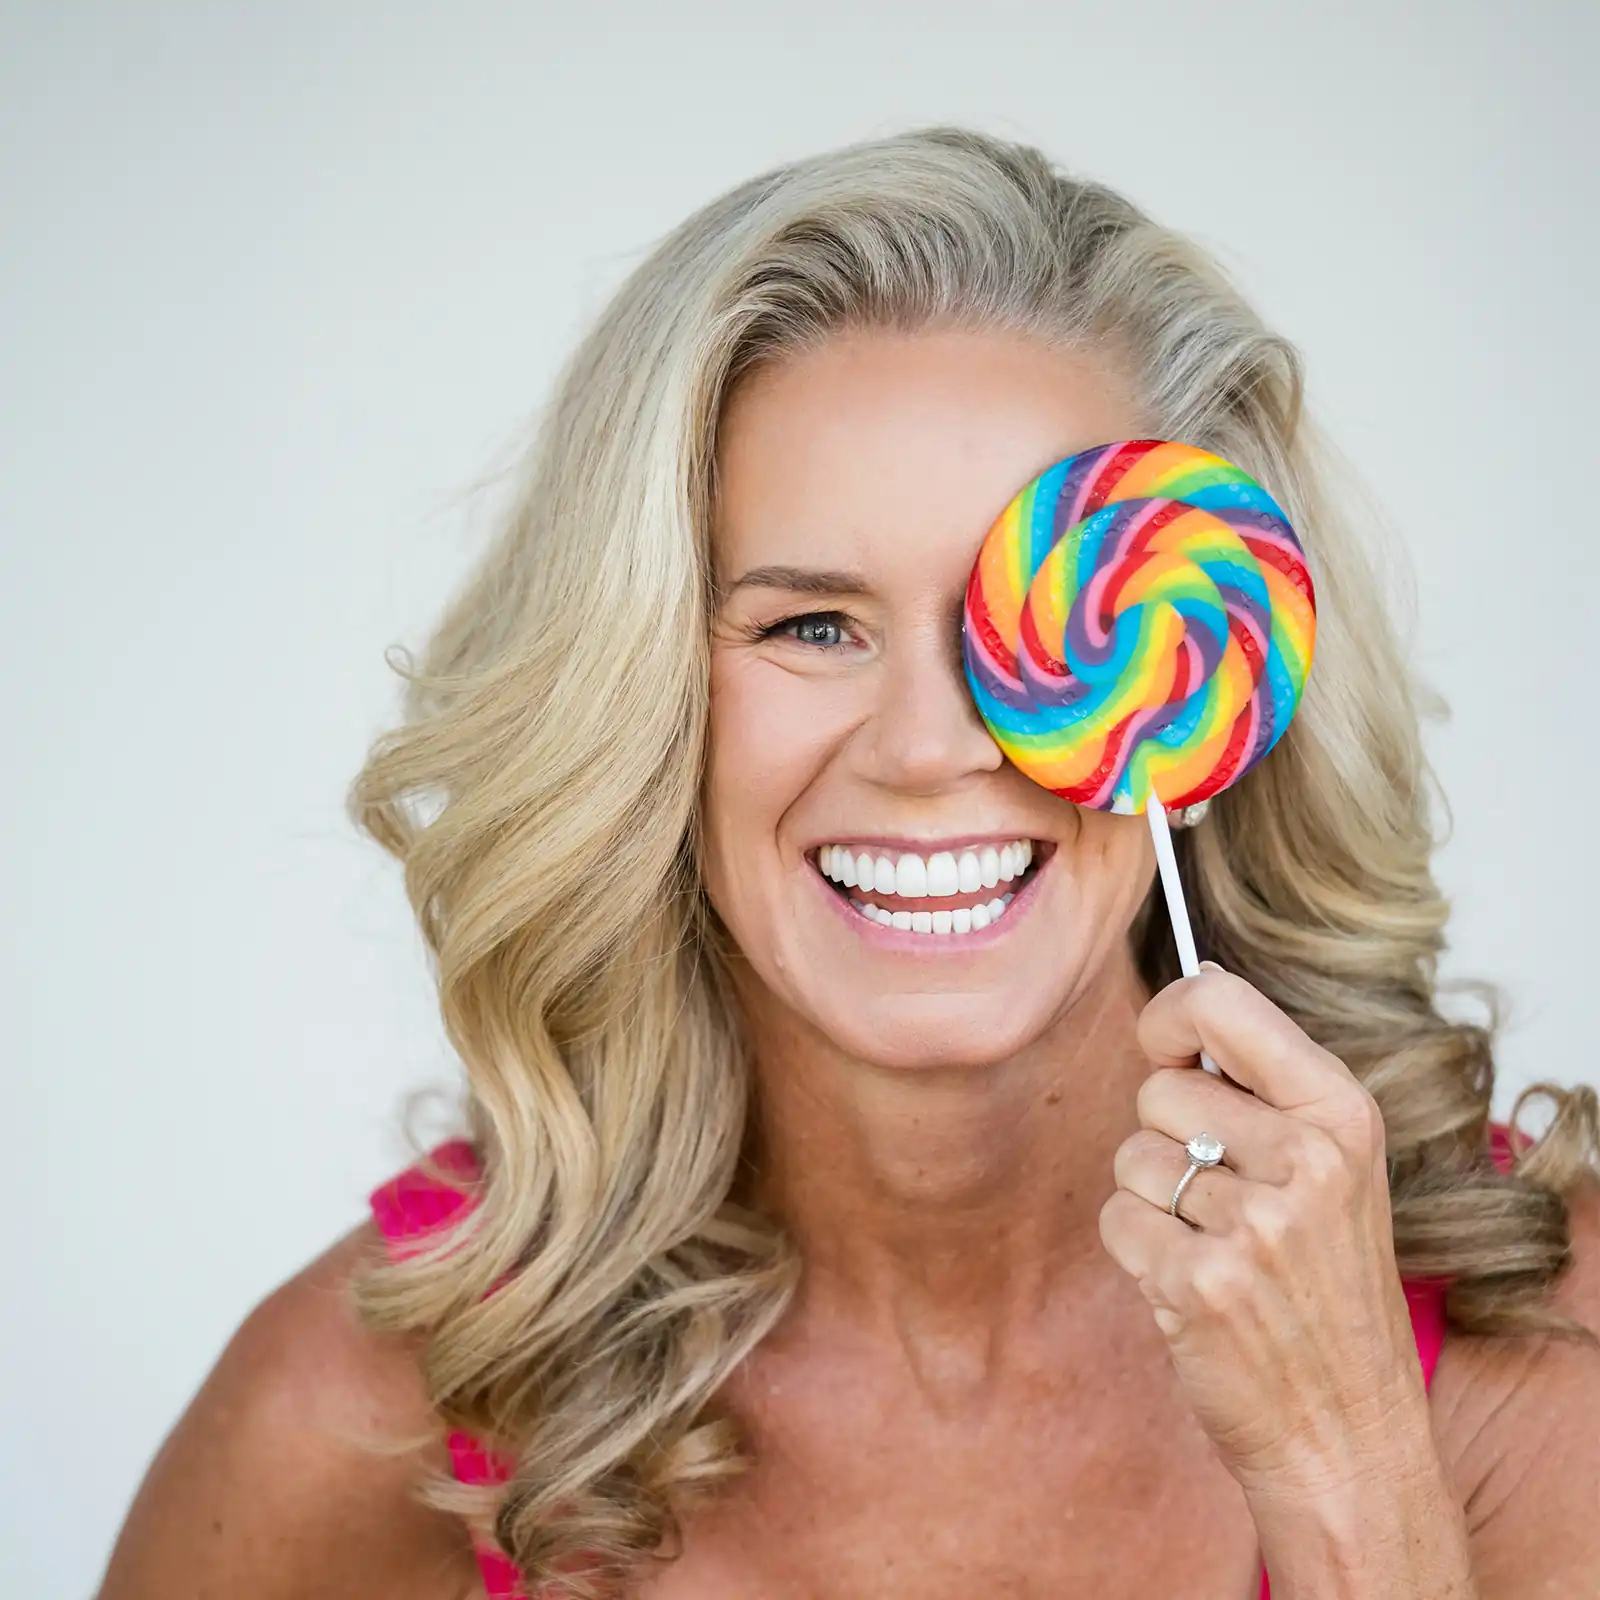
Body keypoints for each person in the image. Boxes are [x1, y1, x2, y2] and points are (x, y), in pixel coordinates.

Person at [97, 125, 1600, 1600]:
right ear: (640, 699)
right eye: (812, 625)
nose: (931, 745)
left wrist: (1352, 1479)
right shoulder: (357, 1420)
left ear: (1210, 663)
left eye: (1038, 620)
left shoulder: (1543, 1343)